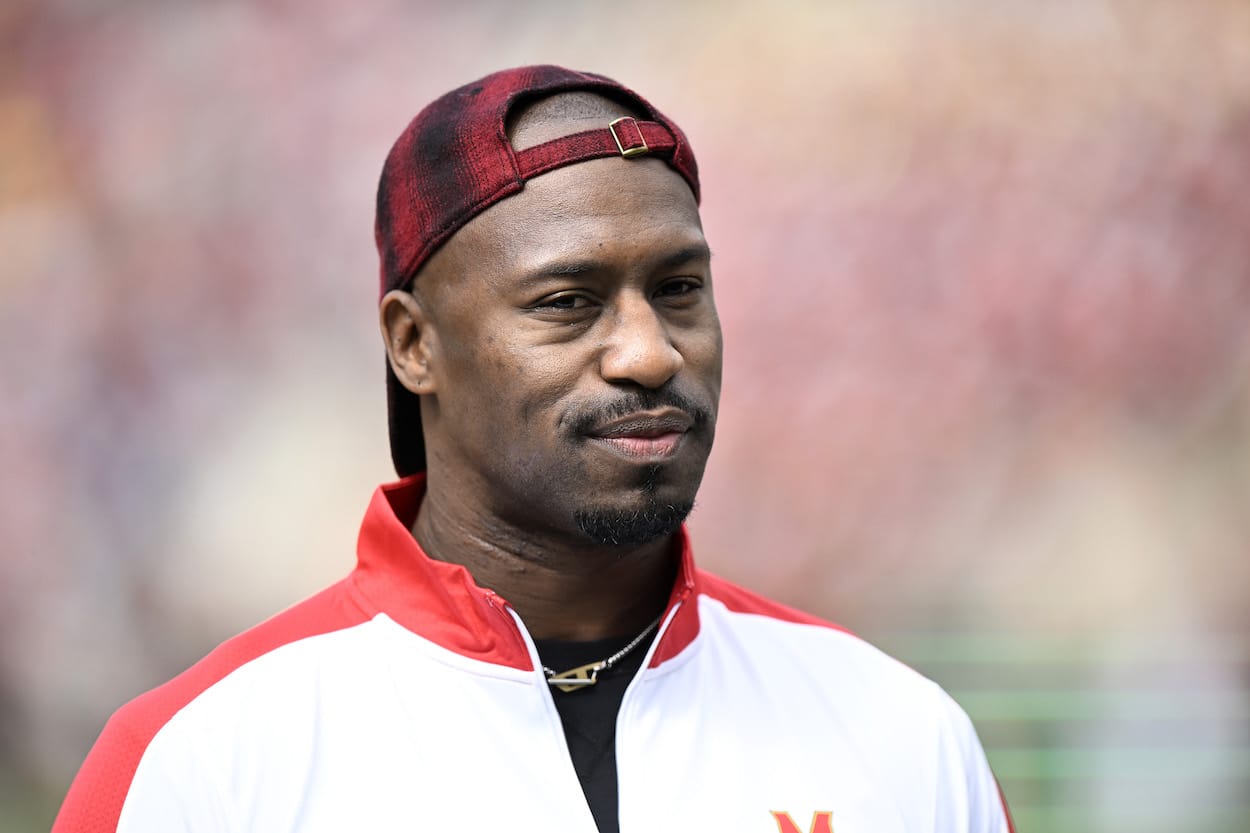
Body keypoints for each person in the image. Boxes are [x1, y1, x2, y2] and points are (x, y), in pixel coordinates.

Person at [52, 65, 1014, 833]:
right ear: (414, 344)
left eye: (679, 289)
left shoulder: (900, 735)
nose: (649, 352)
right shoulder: (202, 763)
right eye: (567, 302)